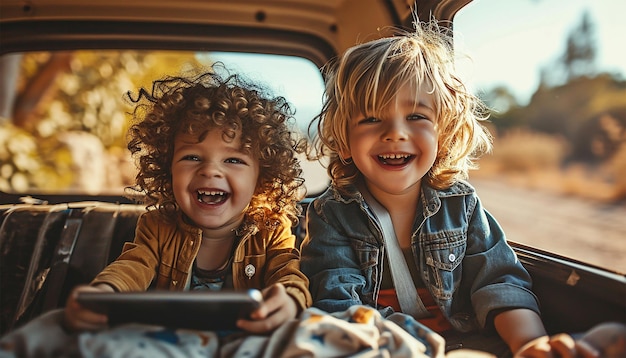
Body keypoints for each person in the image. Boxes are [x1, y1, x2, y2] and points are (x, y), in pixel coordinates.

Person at [299, 18, 614, 358]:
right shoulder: (331, 214)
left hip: (471, 342)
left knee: (611, 334)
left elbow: (498, 282)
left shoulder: (460, 203)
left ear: (443, 133)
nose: (395, 133)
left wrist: (527, 342)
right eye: (372, 119)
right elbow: (339, 305)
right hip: (384, 348)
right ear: (344, 141)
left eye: (416, 117)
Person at [64, 65, 312, 334]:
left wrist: (289, 300)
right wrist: (103, 292)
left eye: (233, 160)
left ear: (260, 178)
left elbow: (288, 273)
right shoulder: (157, 226)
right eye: (192, 157)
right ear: (167, 168)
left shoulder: (271, 231)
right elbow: (132, 267)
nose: (210, 170)